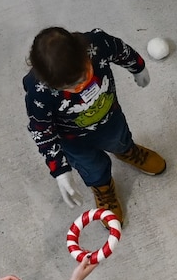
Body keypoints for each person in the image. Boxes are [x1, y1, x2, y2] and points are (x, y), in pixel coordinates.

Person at [24, 26, 164, 223]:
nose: (78, 88)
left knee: (120, 139)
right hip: (72, 140)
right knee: (92, 167)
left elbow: (120, 49)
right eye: (69, 87)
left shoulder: (96, 44)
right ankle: (103, 187)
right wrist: (59, 170)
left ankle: (127, 152)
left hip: (109, 118)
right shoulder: (39, 92)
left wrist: (138, 67)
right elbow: (42, 132)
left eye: (82, 78)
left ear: (84, 53)